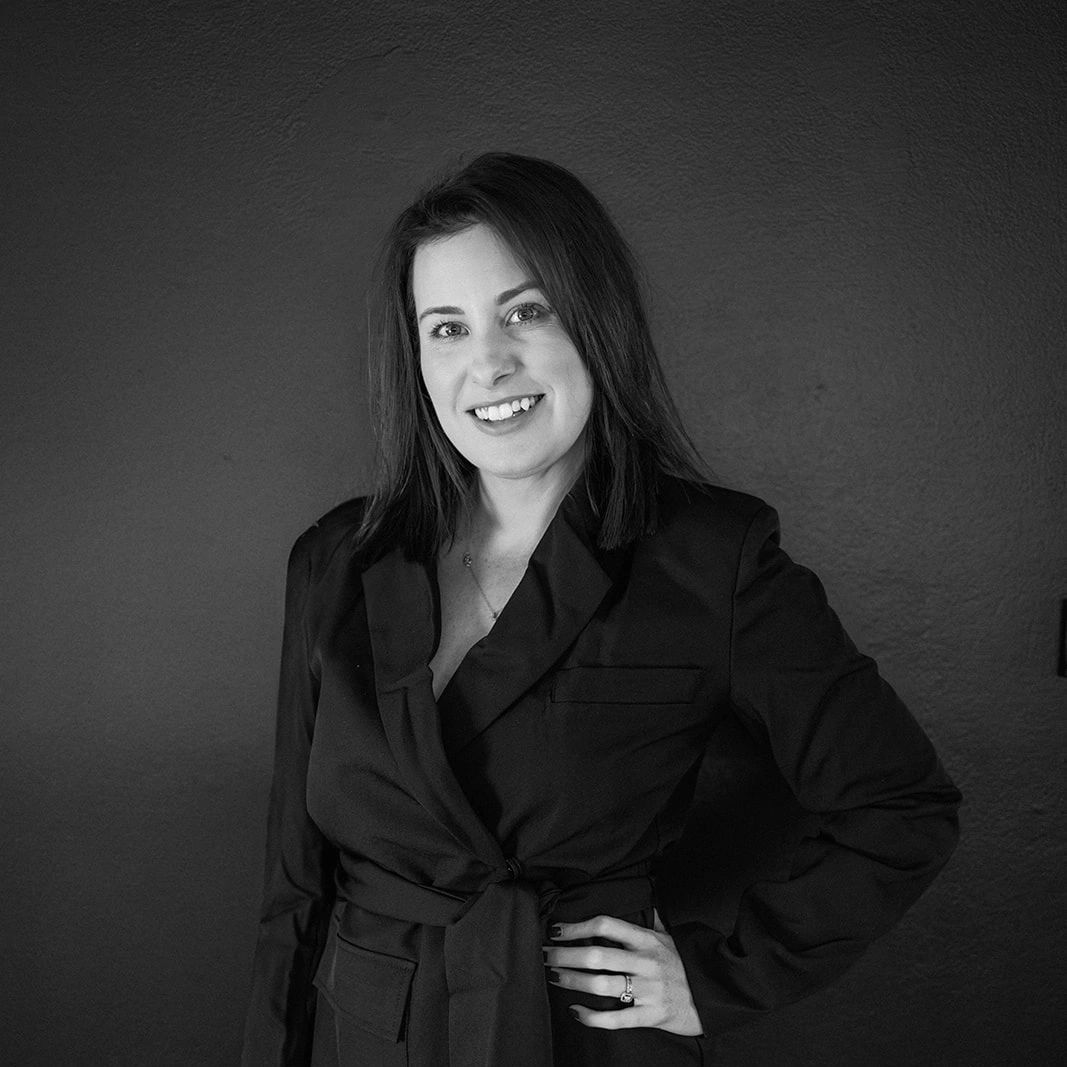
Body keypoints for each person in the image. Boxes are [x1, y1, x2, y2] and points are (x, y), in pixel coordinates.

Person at [240, 152, 961, 1067]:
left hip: (589, 1040)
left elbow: (902, 805)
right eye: (446, 328)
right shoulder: (335, 561)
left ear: (596, 322)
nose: (487, 362)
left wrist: (711, 976)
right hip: (369, 1035)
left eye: (526, 312)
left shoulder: (712, 556)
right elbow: (293, 884)